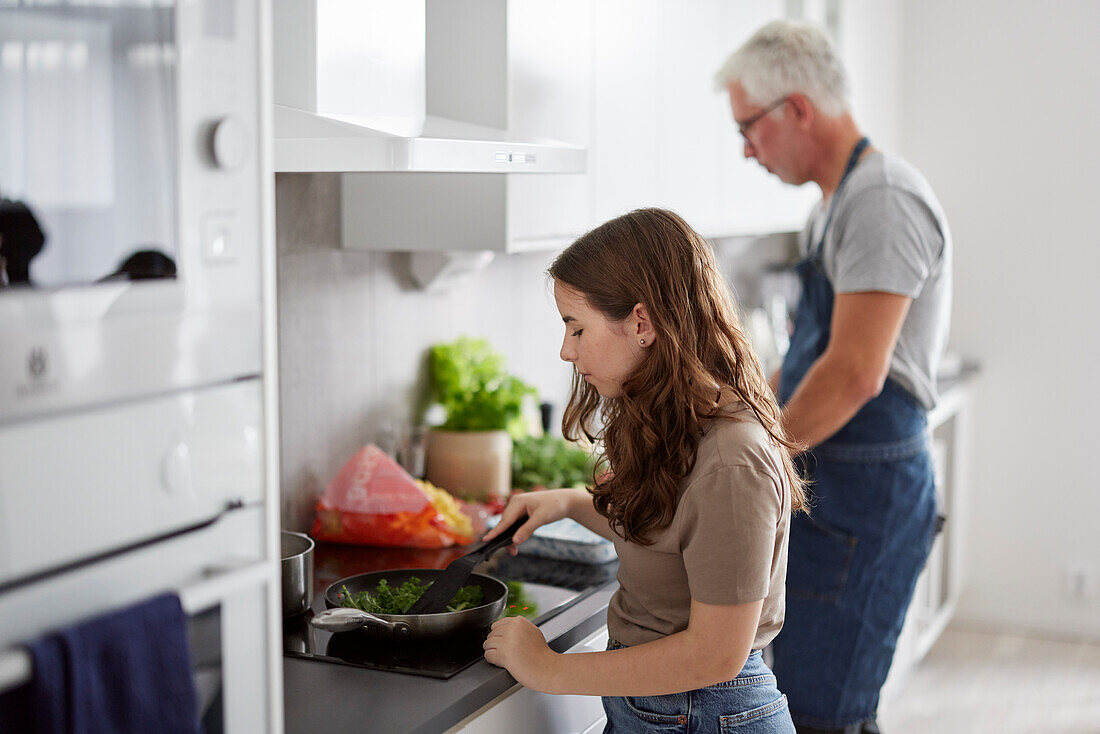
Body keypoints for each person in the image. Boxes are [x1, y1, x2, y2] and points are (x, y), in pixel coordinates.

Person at [713, 20, 953, 734]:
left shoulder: (882, 200)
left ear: (796, 108)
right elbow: (813, 357)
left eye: (748, 128)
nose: (747, 151)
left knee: (828, 715)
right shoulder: (833, 206)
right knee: (819, 706)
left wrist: (753, 460)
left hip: (866, 493)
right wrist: (739, 412)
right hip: (836, 483)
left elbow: (853, 374)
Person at [482, 208, 804, 733]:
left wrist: (551, 669)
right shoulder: (678, 420)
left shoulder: (732, 460)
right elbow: (673, 537)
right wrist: (565, 503)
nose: (566, 350)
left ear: (642, 323)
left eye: (577, 327)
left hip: (707, 714)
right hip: (664, 712)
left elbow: (716, 654)